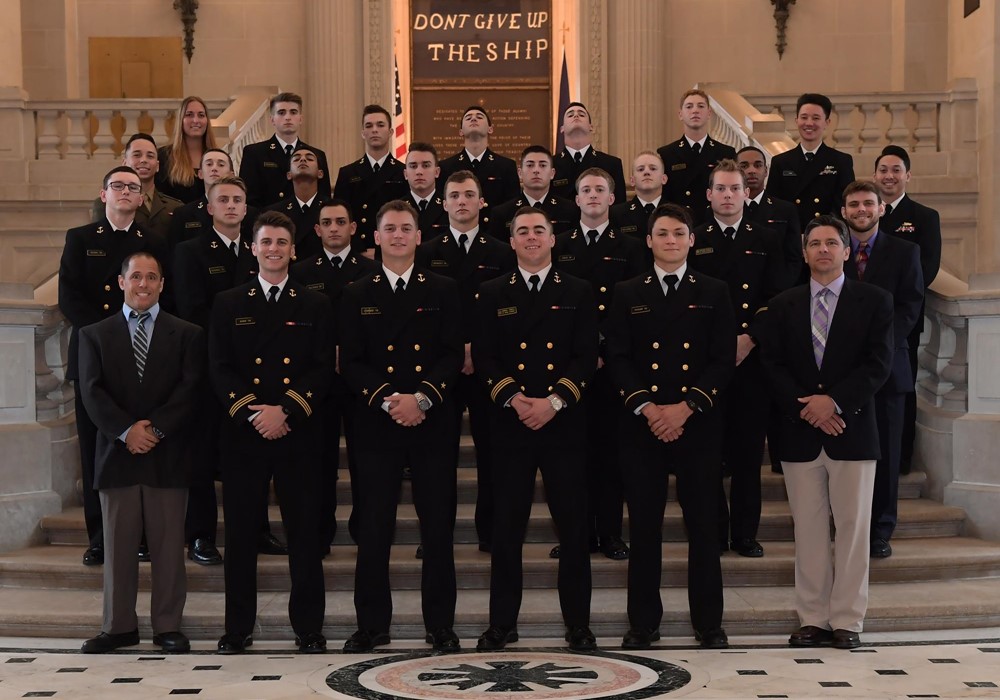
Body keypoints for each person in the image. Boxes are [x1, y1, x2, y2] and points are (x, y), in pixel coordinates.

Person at [605, 203, 735, 650]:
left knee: (703, 529)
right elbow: (618, 357)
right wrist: (649, 408)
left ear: (692, 239)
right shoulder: (627, 291)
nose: (671, 241)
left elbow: (722, 359)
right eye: (662, 234)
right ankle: (643, 623)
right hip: (643, 426)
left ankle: (709, 624)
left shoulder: (715, 291)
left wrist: (686, 407)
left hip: (696, 425)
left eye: (679, 233)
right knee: (644, 528)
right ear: (648, 240)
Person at [759, 215, 893, 650]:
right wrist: (810, 409)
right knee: (809, 530)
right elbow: (772, 366)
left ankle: (849, 620)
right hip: (800, 433)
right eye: (814, 243)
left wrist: (833, 403)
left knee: (853, 529)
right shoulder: (783, 304)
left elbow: (878, 364)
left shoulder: (875, 300)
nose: (823, 250)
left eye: (831, 242)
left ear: (846, 249)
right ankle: (813, 617)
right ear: (804, 252)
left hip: (852, 430)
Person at [339, 200, 463, 653]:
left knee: (437, 528)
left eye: (405, 228)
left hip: (432, 420)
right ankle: (371, 625)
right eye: (389, 229)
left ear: (418, 235)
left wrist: (423, 397)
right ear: (375, 236)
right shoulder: (356, 292)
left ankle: (441, 626)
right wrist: (390, 400)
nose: (397, 236)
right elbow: (350, 361)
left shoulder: (444, 289)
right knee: (373, 528)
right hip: (377, 422)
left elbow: (452, 354)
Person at [473, 206, 599, 652]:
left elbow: (586, 356)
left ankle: (579, 625)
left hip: (563, 423)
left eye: (539, 230)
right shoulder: (491, 292)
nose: (530, 237)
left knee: (573, 527)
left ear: (552, 239)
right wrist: (515, 398)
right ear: (511, 241)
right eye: (522, 231)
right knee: (507, 529)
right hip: (511, 424)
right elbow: (484, 357)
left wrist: (554, 401)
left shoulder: (579, 291)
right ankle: (501, 624)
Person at [210, 210, 333, 654]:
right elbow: (219, 368)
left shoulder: (315, 303)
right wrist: (253, 412)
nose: (274, 250)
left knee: (304, 536)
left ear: (293, 249)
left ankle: (309, 628)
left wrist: (286, 411)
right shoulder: (228, 302)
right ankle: (237, 629)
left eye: (282, 242)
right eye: (266, 242)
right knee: (241, 536)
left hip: (297, 432)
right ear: (253, 248)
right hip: (245, 434)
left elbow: (322, 368)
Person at [78, 252, 204, 654]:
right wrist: (126, 430)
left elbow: (190, 390)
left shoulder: (186, 333)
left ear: (163, 284)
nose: (144, 284)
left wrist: (154, 429)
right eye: (136, 277)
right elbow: (91, 392)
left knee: (169, 548)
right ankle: (118, 627)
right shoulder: (94, 334)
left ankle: (167, 625)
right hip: (116, 455)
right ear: (121, 282)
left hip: (167, 455)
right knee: (117, 547)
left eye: (152, 277)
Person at [59, 166, 167, 567]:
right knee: (95, 453)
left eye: (133, 187)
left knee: (138, 450)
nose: (125, 191)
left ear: (142, 199)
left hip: (142, 359)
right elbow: (69, 297)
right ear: (103, 194)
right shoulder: (81, 238)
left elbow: (158, 297)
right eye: (117, 185)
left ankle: (139, 536)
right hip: (94, 358)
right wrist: (108, 338)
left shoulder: (154, 241)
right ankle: (99, 537)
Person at [417, 171, 515, 553]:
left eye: (469, 195)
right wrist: (457, 350)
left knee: (493, 454)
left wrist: (477, 349)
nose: (461, 201)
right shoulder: (426, 251)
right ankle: (434, 536)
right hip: (442, 366)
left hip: (488, 366)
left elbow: (507, 310)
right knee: (437, 459)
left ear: (482, 202)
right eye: (454, 195)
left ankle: (490, 531)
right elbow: (424, 313)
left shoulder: (502, 252)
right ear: (443, 203)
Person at [690, 159, 783, 558]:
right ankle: (713, 529)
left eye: (735, 188)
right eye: (721, 189)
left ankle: (745, 532)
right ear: (708, 195)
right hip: (706, 361)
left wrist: (748, 338)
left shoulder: (767, 238)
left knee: (747, 454)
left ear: (747, 193)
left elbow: (777, 298)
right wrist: (719, 344)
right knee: (709, 452)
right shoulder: (693, 237)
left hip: (751, 361)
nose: (728, 195)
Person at [552, 168, 645, 560]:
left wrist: (606, 349)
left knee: (609, 455)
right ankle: (575, 535)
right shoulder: (558, 244)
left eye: (600, 190)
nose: (592, 195)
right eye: (585, 189)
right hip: (569, 364)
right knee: (570, 457)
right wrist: (584, 351)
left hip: (612, 367)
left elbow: (635, 305)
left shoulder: (631, 245)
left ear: (612, 199)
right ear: (576, 200)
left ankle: (609, 533)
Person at [172, 176, 261, 565]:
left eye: (237, 200)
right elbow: (192, 310)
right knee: (203, 458)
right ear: (209, 208)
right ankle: (200, 536)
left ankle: (257, 530)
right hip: (208, 369)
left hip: (255, 370)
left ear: (246, 208)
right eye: (222, 199)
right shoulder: (190, 252)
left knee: (251, 457)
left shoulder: (258, 249)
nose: (230, 206)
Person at [841, 181, 924, 559]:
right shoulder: (833, 251)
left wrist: (875, 351)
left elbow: (910, 307)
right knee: (843, 455)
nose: (862, 209)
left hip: (889, 370)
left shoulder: (906, 252)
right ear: (844, 211)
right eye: (854, 204)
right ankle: (845, 524)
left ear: (881, 209)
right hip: (840, 373)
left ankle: (880, 529)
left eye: (868, 203)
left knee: (887, 454)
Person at [290, 199, 377, 549]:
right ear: (317, 230)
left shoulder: (370, 271)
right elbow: (297, 327)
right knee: (319, 463)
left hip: (361, 381)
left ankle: (364, 530)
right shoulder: (302, 272)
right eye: (327, 222)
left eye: (342, 221)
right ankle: (320, 533)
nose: (335, 228)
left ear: (353, 228)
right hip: (318, 382)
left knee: (365, 460)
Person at [873, 145, 942, 474]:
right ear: (875, 175)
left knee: (902, 385)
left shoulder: (926, 217)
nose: (889, 175)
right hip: (858, 318)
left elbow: (926, 270)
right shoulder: (864, 213)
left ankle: (900, 457)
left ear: (907, 175)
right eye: (883, 170)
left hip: (903, 321)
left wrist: (895, 313)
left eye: (896, 170)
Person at [766, 93, 855, 228]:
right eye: (804, 117)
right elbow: (774, 207)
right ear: (796, 120)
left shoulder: (841, 161)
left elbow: (844, 205)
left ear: (827, 122)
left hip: (827, 236)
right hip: (792, 237)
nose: (809, 123)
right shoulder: (780, 162)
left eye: (816, 118)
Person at [333, 104, 408, 254]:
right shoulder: (348, 173)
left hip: (394, 250)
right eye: (369, 125)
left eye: (380, 125)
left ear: (391, 132)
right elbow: (340, 218)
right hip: (358, 252)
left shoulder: (403, 172)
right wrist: (360, 249)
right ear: (363, 133)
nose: (374, 129)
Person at [658, 89, 737, 226]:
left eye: (701, 106)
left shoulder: (726, 152)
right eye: (689, 106)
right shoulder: (666, 154)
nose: (695, 111)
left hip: (715, 224)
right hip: (680, 224)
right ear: (680, 114)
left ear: (709, 114)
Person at [240, 92, 332, 208]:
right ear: (272, 119)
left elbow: (324, 199)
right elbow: (249, 199)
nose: (288, 117)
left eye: (293, 112)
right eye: (281, 113)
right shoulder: (254, 153)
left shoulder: (317, 155)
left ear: (300, 119)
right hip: (269, 221)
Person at [437, 106, 520, 230]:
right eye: (468, 118)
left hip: (495, 235)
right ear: (460, 132)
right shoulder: (446, 167)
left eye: (479, 117)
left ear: (490, 129)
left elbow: (512, 208)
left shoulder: (506, 166)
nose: (474, 119)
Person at [92, 133, 182, 243]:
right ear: (124, 163)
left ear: (157, 166)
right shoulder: (106, 204)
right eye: (137, 155)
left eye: (150, 156)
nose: (144, 160)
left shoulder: (175, 207)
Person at [737, 145, 804, 288]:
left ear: (766, 170)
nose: (751, 170)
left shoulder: (785, 210)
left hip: (774, 293)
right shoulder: (726, 209)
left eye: (758, 165)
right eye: (744, 166)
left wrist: (780, 290)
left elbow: (794, 258)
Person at [168, 148, 260, 252]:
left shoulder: (251, 214)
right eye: (209, 164)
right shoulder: (183, 214)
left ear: (232, 174)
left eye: (221, 164)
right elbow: (175, 254)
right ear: (200, 174)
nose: (214, 168)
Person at [490, 145, 578, 240]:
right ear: (520, 173)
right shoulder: (502, 213)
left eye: (543, 165)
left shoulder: (570, 210)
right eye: (530, 165)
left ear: (552, 173)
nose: (536, 170)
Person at [551, 102, 627, 202]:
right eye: (570, 115)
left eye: (581, 114)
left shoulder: (611, 164)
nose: (576, 115)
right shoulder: (550, 164)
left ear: (591, 127)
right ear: (562, 129)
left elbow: (619, 207)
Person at [265, 145, 327, 259]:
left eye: (309, 158)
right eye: (296, 159)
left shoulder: (331, 209)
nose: (303, 160)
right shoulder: (274, 212)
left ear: (320, 173)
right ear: (289, 175)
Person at [156, 96, 219, 204]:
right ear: (181, 120)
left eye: (201, 115)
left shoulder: (218, 157)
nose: (196, 120)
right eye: (189, 115)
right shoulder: (163, 156)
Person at [611, 151, 668, 242]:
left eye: (653, 168)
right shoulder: (615, 215)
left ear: (664, 179)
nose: (647, 172)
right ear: (632, 180)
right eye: (641, 169)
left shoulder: (679, 213)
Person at [403, 142, 449, 239]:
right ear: (405, 174)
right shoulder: (397, 209)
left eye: (426, 166)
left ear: (437, 172)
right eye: (413, 166)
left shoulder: (450, 208)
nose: (419, 172)